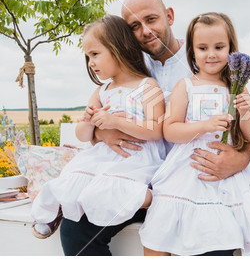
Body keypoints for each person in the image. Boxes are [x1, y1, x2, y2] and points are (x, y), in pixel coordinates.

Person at [59, 0, 250, 256]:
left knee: (209, 237)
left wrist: (241, 159)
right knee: (75, 229)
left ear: (169, 16)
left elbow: (242, 122)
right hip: (138, 180)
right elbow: (101, 111)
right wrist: (99, 134)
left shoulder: (203, 62)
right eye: (134, 26)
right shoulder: (126, 67)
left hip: (192, 177)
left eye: (151, 19)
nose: (145, 31)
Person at [139, 12, 250, 256]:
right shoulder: (186, 86)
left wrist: (246, 113)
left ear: (231, 49)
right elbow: (171, 130)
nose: (211, 54)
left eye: (219, 47)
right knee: (162, 229)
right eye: (203, 48)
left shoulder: (237, 88)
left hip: (228, 172)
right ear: (192, 51)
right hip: (188, 167)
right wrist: (205, 125)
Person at [31, 15, 166, 242]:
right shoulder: (102, 91)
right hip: (103, 160)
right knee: (78, 179)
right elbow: (82, 135)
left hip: (136, 160)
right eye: (88, 56)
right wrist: (90, 122)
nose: (91, 63)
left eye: (95, 54)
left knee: (107, 189)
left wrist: (116, 123)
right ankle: (55, 210)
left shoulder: (148, 86)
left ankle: (151, 198)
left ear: (120, 48)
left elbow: (156, 130)